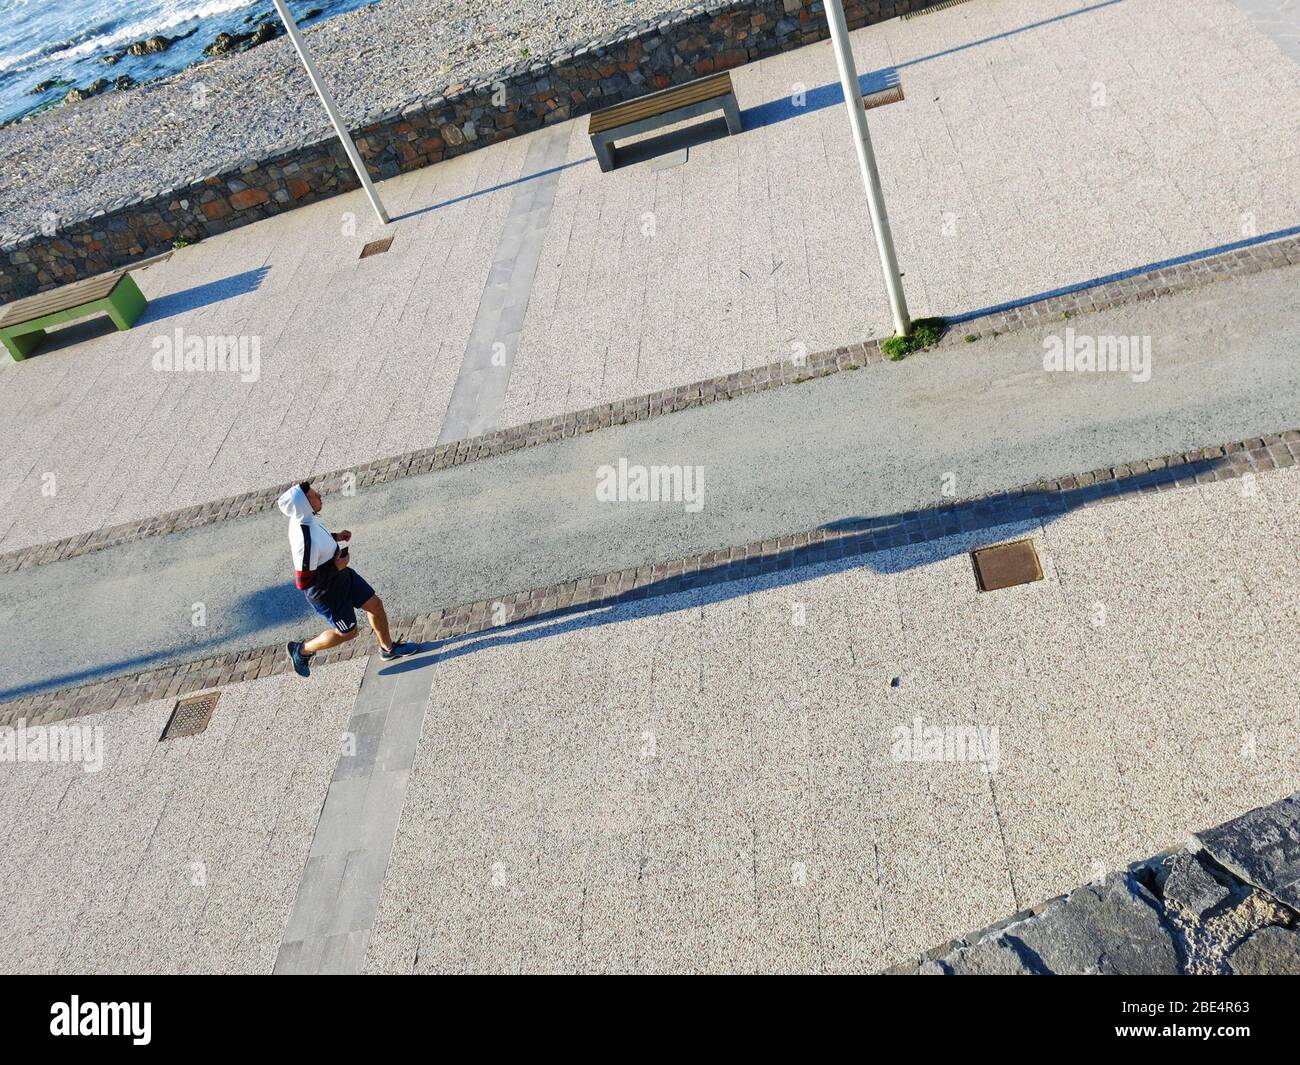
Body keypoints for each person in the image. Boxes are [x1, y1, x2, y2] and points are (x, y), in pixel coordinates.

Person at [278, 481, 416, 677]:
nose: (320, 497)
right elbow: (303, 582)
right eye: (315, 496)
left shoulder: (307, 517)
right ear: (305, 504)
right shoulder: (304, 539)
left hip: (341, 574)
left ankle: (388, 649)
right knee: (349, 633)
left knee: (375, 605)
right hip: (327, 592)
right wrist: (335, 567)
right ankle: (301, 650)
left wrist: (336, 536)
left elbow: (321, 538)